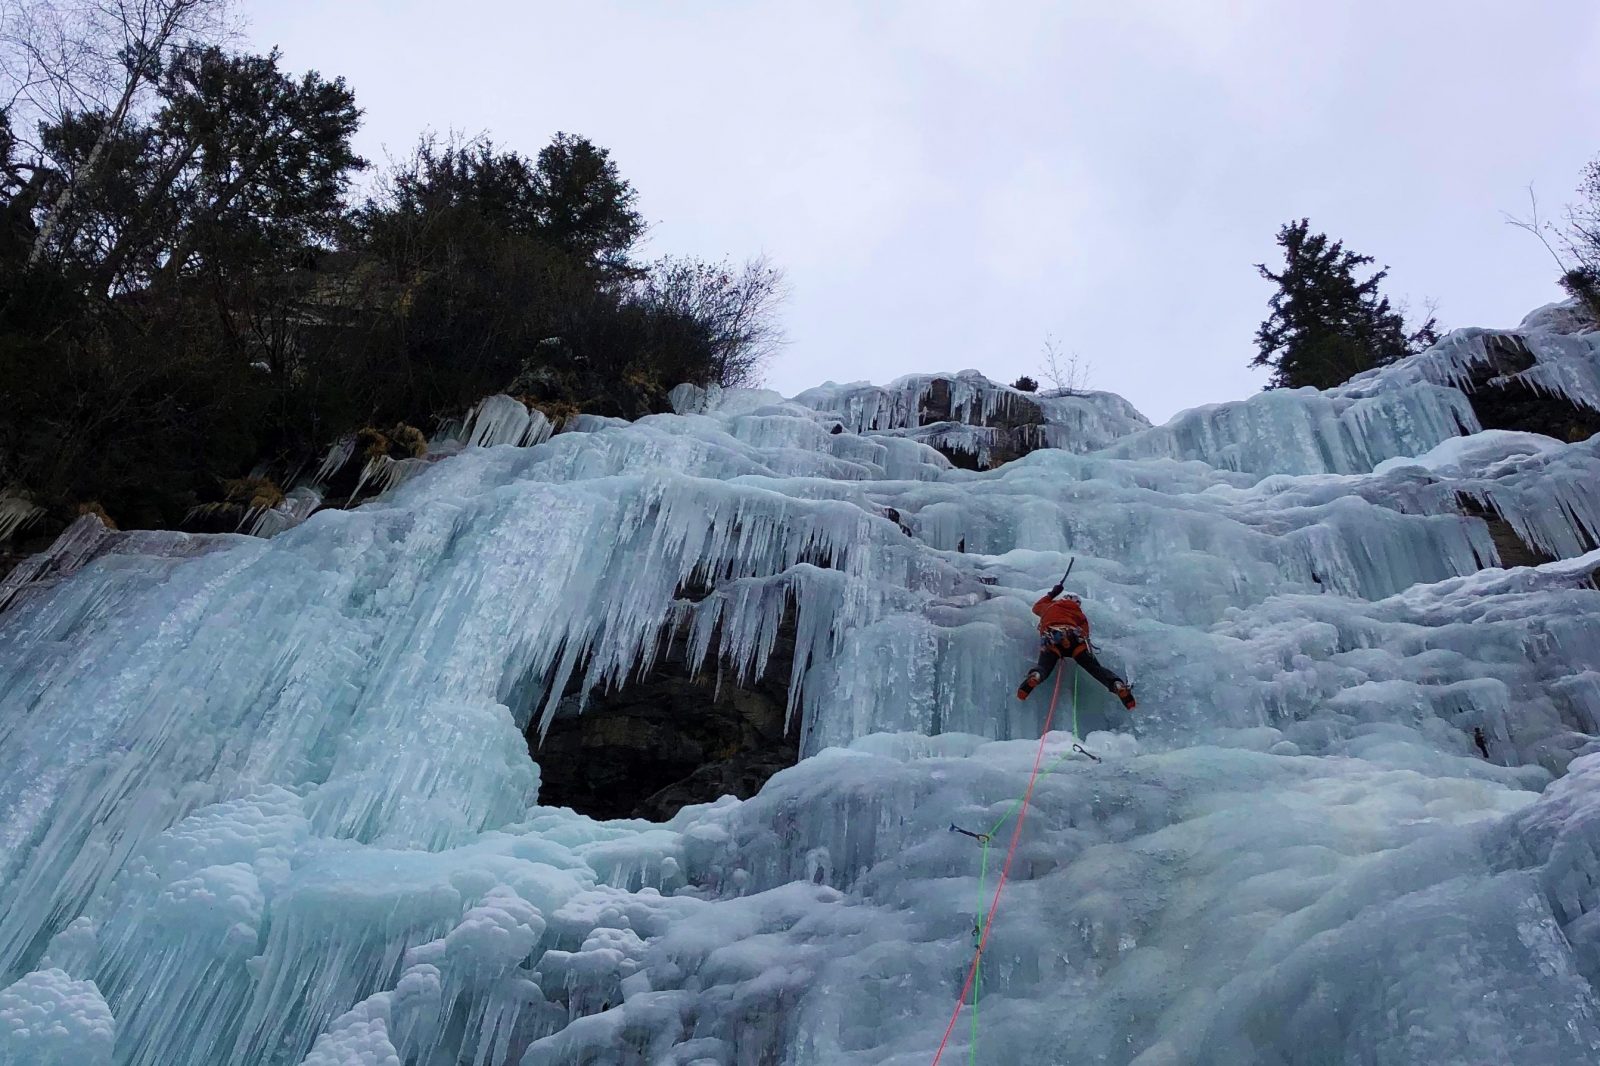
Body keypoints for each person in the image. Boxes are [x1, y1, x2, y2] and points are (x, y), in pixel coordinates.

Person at [1017, 583, 1136, 709]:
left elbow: (1036, 608)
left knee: (1044, 666)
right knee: (1095, 668)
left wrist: (1053, 593)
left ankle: (1036, 675)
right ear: (1077, 604)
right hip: (1075, 640)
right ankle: (1116, 684)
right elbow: (1085, 634)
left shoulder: (1050, 606)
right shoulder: (1079, 614)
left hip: (1052, 637)